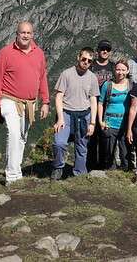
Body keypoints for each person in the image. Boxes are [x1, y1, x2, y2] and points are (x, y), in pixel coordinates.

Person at [0, 21, 50, 184]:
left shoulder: (39, 54)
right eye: (22, 32)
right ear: (16, 34)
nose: (25, 35)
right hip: (9, 99)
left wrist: (45, 101)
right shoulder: (5, 53)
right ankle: (11, 175)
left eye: (28, 33)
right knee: (14, 133)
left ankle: (17, 172)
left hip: (30, 103)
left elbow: (42, 77)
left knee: (22, 137)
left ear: (33, 35)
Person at [51, 47, 99, 180]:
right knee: (59, 143)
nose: (86, 62)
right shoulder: (66, 74)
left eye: (89, 61)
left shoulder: (92, 78)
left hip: (84, 115)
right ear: (78, 57)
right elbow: (59, 97)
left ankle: (79, 174)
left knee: (81, 146)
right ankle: (58, 168)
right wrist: (60, 118)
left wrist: (92, 123)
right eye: (84, 59)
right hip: (66, 114)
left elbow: (93, 99)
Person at [97, 59, 132, 170]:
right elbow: (101, 103)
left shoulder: (131, 85)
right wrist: (101, 121)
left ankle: (125, 171)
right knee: (108, 153)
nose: (120, 72)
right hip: (109, 123)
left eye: (123, 70)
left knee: (125, 153)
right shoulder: (107, 85)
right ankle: (110, 172)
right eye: (118, 69)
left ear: (127, 71)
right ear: (114, 70)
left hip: (125, 124)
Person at [88, 40, 115, 169]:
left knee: (105, 136)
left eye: (107, 49)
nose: (105, 51)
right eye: (102, 49)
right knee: (91, 137)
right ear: (97, 51)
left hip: (107, 107)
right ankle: (91, 164)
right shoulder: (90, 65)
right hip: (91, 105)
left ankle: (104, 164)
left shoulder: (113, 67)